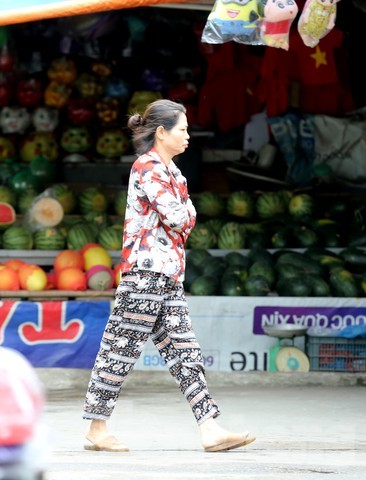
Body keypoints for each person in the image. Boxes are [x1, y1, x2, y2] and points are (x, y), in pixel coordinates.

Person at [82, 99, 255, 453]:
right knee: (119, 350)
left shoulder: (175, 173)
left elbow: (181, 216)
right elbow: (180, 218)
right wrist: (187, 214)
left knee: (185, 351)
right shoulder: (147, 168)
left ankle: (209, 428)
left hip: (168, 274)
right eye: (183, 129)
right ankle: (97, 428)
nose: (188, 136)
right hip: (145, 274)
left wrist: (185, 214)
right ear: (162, 132)